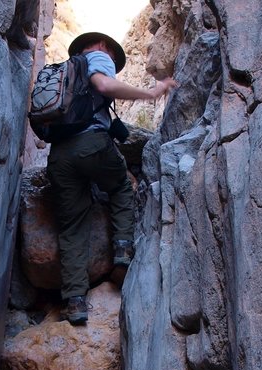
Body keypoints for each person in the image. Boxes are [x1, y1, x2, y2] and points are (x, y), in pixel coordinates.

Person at [47, 32, 177, 325]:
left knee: (71, 226)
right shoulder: (96, 58)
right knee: (120, 185)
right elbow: (105, 85)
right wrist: (152, 93)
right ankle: (122, 248)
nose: (110, 58)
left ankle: (75, 301)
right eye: (110, 54)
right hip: (92, 144)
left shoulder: (66, 72)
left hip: (60, 156)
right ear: (103, 46)